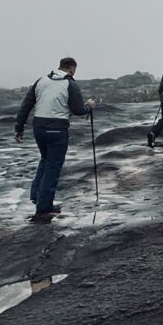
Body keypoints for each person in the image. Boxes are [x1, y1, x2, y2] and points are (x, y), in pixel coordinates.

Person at [14, 57, 96, 222]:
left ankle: (37, 197)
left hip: (38, 128)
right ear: (72, 69)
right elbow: (78, 110)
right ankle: (44, 208)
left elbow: (26, 105)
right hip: (57, 129)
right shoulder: (70, 84)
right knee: (53, 166)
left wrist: (19, 128)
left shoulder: (41, 81)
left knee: (45, 160)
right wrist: (89, 106)